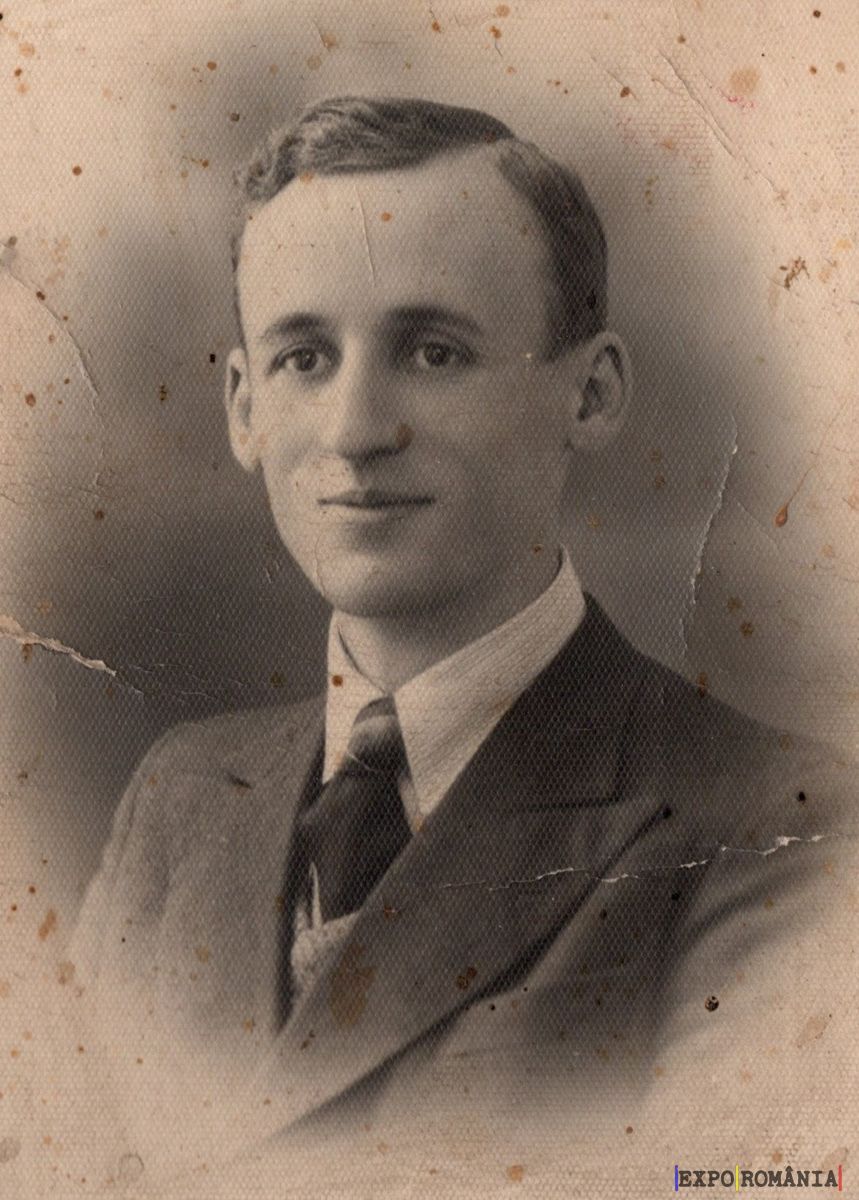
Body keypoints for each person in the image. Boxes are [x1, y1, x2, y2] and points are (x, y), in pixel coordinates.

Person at [68, 96, 852, 1169]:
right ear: (244, 408)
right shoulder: (178, 800)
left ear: (591, 394)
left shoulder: (777, 828)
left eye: (433, 353)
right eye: (304, 359)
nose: (355, 432)